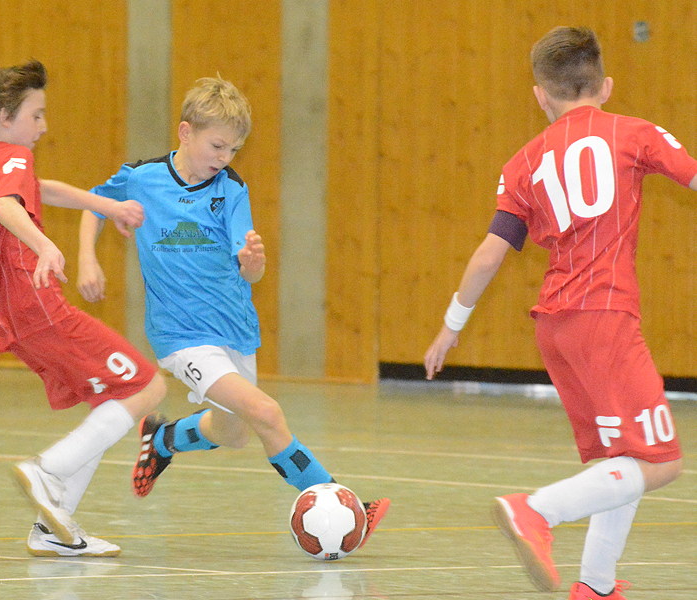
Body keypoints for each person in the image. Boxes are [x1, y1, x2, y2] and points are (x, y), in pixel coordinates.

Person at [424, 27, 695, 599]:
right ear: (606, 86)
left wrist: (450, 327)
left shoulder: (524, 162)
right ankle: (536, 511)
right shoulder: (633, 133)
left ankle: (595, 586)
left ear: (540, 95)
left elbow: (489, 253)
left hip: (556, 327)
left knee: (623, 459)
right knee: (662, 462)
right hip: (605, 317)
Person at [77, 76, 390, 546]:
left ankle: (162, 440)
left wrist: (252, 262)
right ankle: (346, 506)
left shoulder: (231, 189)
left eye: (234, 150)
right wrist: (87, 257)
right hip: (181, 336)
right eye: (217, 146)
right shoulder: (143, 178)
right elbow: (93, 205)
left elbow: (251, 272)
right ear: (186, 132)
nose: (224, 158)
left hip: (234, 329)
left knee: (233, 432)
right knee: (266, 412)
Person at [0, 60, 166, 557]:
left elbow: (40, 190)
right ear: (5, 117)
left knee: (107, 400)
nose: (44, 126)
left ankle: (53, 527)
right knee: (148, 386)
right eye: (36, 115)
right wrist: (46, 245)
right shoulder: (13, 156)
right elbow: (6, 207)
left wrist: (109, 206)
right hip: (37, 306)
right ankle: (47, 470)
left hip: (9, 313)